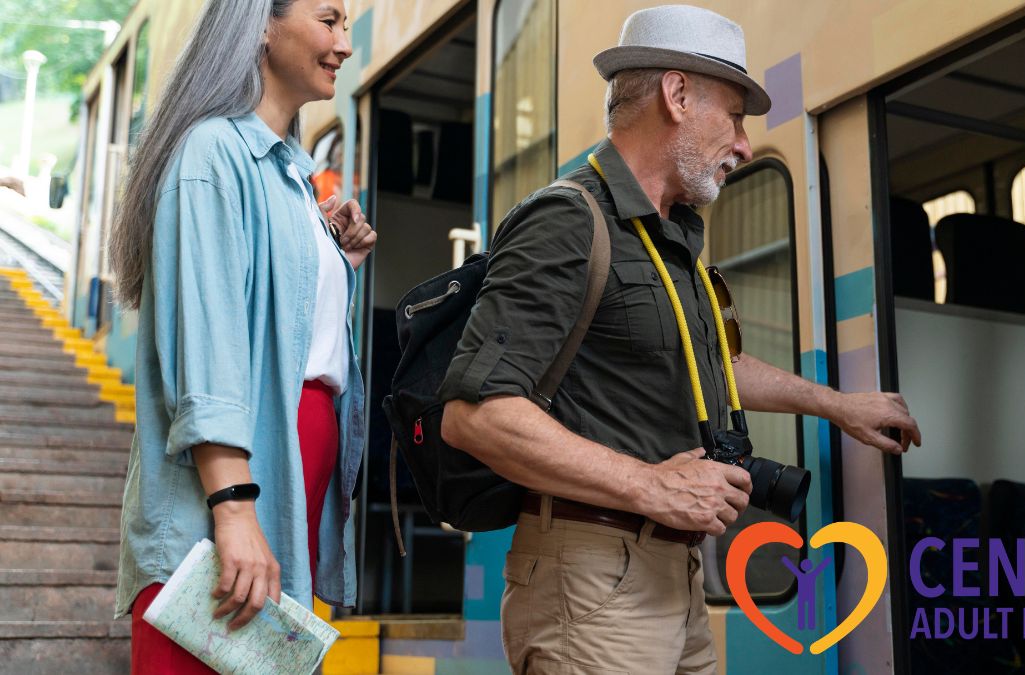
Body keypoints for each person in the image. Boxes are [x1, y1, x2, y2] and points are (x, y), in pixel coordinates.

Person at [439, 5, 921, 673]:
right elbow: (475, 415)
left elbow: (718, 364)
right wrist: (649, 486)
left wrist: (838, 405)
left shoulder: (672, 238)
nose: (745, 144)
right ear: (677, 94)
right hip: (593, 578)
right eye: (736, 115)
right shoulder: (565, 219)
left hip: (677, 574)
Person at [106, 1, 375, 672]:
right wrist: (232, 508)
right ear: (261, 22)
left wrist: (338, 262)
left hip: (286, 475)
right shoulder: (213, 151)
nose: (345, 43)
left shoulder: (289, 172)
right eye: (329, 19)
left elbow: (289, 332)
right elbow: (208, 347)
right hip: (233, 486)